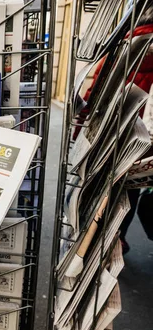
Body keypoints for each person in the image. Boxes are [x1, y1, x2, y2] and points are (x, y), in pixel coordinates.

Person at [77, 5, 153, 253]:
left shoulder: (125, 40)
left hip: (113, 128)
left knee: (105, 181)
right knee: (130, 186)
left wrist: (83, 129)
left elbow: (96, 88)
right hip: (143, 136)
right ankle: (117, 236)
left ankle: (97, 234)